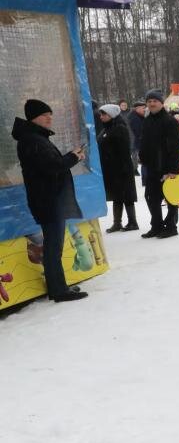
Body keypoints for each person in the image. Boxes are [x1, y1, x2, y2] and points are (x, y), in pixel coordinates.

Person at [11, 100, 88, 302]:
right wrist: (73, 157)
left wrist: (71, 156)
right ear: (33, 117)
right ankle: (58, 290)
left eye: (50, 114)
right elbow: (52, 167)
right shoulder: (32, 140)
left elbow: (49, 164)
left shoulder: (35, 137)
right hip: (48, 201)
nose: (49, 117)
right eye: (45, 114)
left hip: (49, 199)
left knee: (54, 245)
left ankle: (58, 286)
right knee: (54, 247)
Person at [139, 89, 179, 239]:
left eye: (154, 101)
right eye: (149, 101)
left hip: (167, 167)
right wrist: (142, 158)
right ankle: (156, 225)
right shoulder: (147, 121)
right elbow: (144, 142)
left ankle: (171, 226)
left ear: (161, 103)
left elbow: (176, 147)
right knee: (151, 196)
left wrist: (173, 169)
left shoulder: (169, 121)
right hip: (151, 167)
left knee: (170, 197)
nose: (152, 104)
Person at [96, 104, 138, 233]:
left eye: (104, 114)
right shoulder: (107, 128)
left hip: (121, 168)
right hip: (111, 168)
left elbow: (123, 150)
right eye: (101, 114)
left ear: (112, 115)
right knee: (117, 195)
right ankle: (117, 223)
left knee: (126, 195)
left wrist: (123, 168)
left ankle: (132, 222)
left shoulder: (119, 128)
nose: (101, 117)